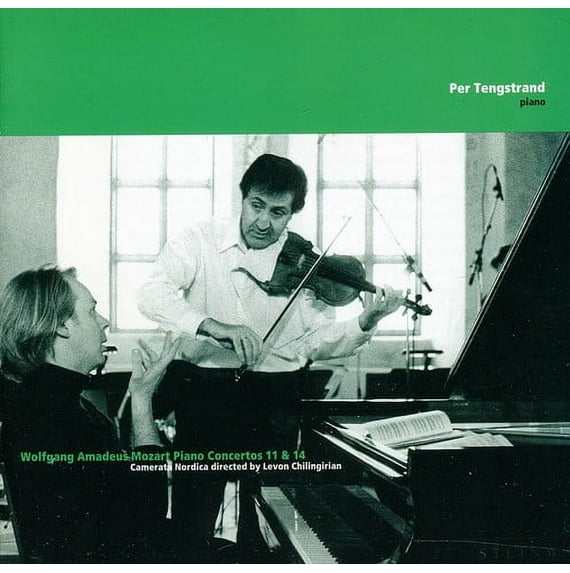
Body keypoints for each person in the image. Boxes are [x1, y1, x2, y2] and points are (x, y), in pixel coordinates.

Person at [136, 153, 403, 559]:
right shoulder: (198, 239)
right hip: (204, 393)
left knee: (266, 522)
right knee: (194, 516)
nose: (263, 222)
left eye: (278, 213)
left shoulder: (307, 264)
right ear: (242, 198)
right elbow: (151, 294)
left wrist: (365, 322)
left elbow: (315, 342)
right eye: (256, 206)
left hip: (275, 398)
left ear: (292, 214)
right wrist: (212, 325)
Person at [0, 266, 231, 563]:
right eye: (92, 311)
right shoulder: (57, 417)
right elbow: (148, 512)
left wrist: (141, 393)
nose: (104, 322)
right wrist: (142, 401)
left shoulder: (42, 401)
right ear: (61, 325)